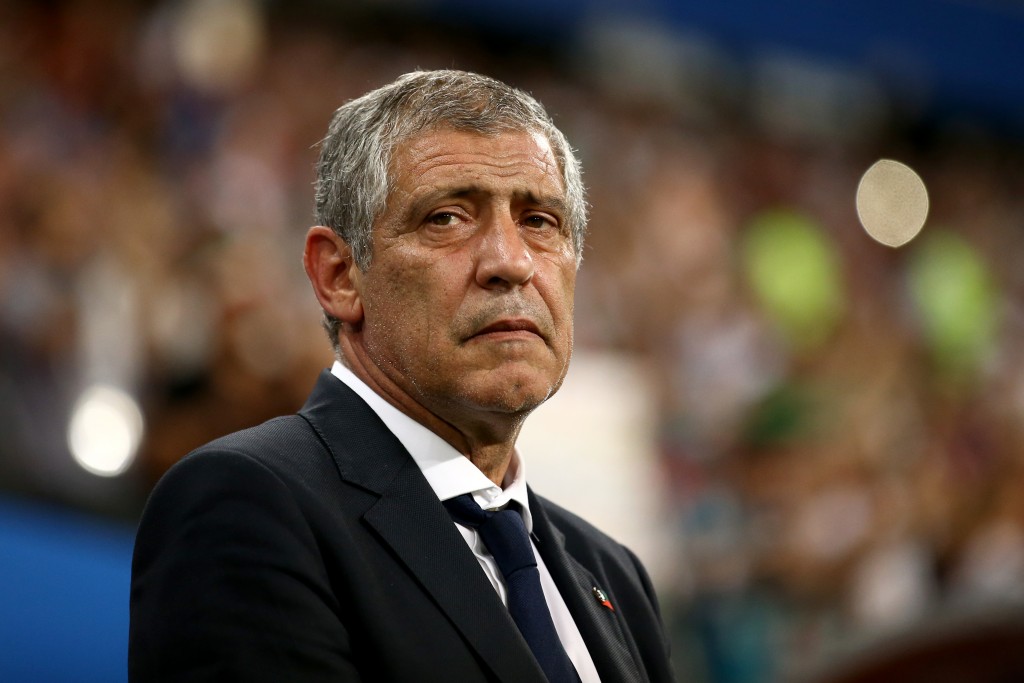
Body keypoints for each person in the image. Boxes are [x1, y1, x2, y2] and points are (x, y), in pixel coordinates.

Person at [129, 69, 675, 683]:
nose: (511, 262)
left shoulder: (616, 579)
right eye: (447, 218)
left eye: (540, 221)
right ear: (339, 275)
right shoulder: (246, 504)